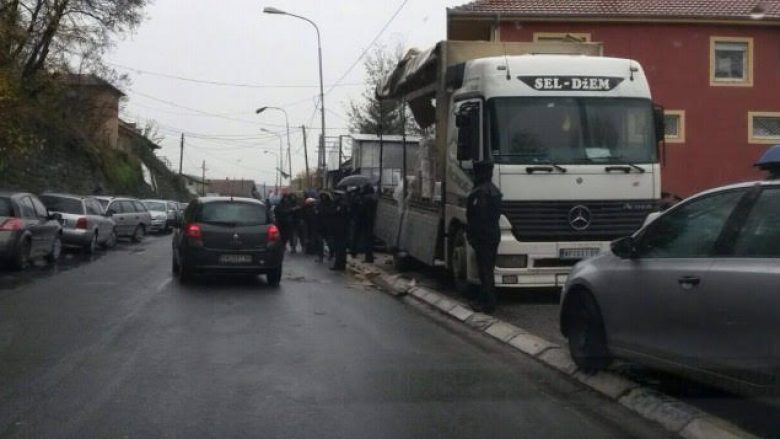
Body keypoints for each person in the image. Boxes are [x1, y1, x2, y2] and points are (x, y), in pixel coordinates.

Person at [466, 161, 503, 313]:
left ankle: (488, 303)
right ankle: (484, 299)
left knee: (484, 271)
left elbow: (477, 217)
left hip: (483, 236)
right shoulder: (494, 190)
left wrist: (472, 235)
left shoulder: (480, 192)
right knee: (488, 269)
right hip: (493, 234)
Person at [354, 183, 377, 263]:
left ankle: (367, 257)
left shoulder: (365, 198)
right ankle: (369, 257)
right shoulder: (374, 197)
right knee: (369, 240)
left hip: (365, 220)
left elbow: (361, 210)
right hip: (371, 221)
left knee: (365, 239)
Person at [329, 190, 351, 271]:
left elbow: (334, 213)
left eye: (335, 195)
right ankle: (341, 265)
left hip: (339, 229)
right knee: (341, 248)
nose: (334, 197)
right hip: (342, 229)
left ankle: (339, 265)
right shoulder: (344, 203)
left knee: (339, 248)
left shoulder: (340, 204)